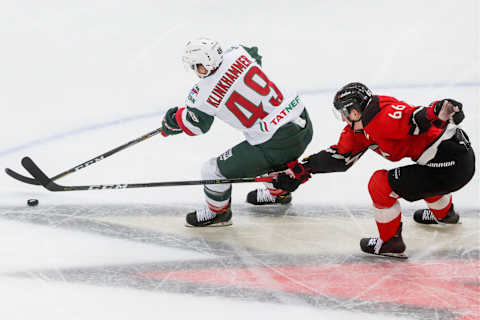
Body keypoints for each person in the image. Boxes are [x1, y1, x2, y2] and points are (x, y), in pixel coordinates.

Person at [269, 82, 475, 258]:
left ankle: (390, 244)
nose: (343, 119)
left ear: (354, 111)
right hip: (451, 161)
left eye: (343, 113)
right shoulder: (362, 126)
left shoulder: (384, 117)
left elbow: (415, 117)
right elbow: (340, 157)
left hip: (450, 166)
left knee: (380, 184)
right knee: (418, 176)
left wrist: (439, 108)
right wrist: (301, 171)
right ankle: (445, 214)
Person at [161, 37, 313, 227]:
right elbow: (255, 54)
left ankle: (218, 214)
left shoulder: (202, 94)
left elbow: (197, 126)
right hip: (303, 123)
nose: (196, 70)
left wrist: (173, 122)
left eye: (197, 65)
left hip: (276, 144)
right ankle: (279, 192)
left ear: (206, 63)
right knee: (258, 147)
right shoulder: (239, 52)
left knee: (213, 170)